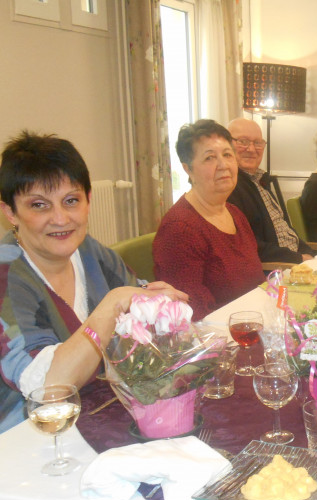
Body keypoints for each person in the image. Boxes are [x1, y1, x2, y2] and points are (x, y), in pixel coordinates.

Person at [0, 131, 186, 432]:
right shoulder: (7, 276)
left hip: (101, 411)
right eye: (39, 205)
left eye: (71, 201)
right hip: (28, 438)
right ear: (10, 212)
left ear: (88, 200)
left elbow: (139, 314)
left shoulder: (88, 252)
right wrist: (113, 304)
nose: (61, 219)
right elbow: (49, 388)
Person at [153, 119, 264, 320]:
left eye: (228, 155)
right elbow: (192, 315)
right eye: (209, 158)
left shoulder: (235, 213)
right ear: (188, 169)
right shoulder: (180, 230)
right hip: (218, 339)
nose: (223, 165)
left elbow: (255, 281)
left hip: (254, 321)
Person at [226, 117, 315, 263]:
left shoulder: (260, 180)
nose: (252, 149)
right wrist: (299, 258)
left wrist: (309, 254)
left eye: (258, 143)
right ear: (227, 144)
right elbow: (247, 245)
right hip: (277, 271)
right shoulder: (230, 187)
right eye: (243, 141)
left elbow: (286, 230)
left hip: (297, 262)